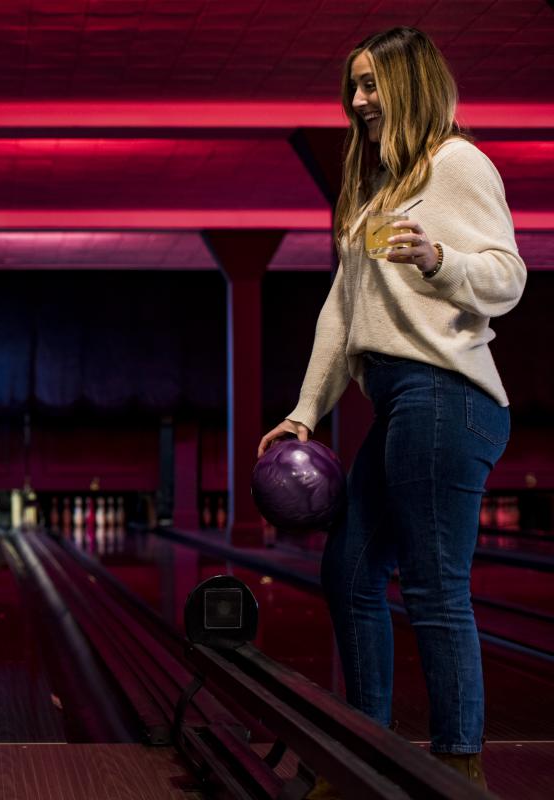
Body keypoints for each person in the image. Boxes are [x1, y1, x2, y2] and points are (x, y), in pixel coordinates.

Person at [258, 27, 526, 794]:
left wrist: (439, 260)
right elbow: (342, 317)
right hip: (402, 397)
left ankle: (457, 768)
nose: (357, 101)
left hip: (448, 392)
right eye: (354, 86)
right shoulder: (376, 194)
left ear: (411, 84)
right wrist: (306, 412)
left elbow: (508, 276)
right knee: (348, 570)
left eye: (371, 85)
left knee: (435, 582)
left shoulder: (456, 163)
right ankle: (358, 751)